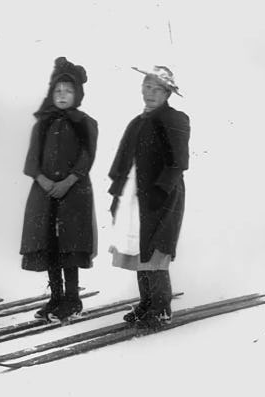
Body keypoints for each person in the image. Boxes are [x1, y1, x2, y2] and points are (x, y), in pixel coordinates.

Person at [108, 65, 190, 329]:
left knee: (155, 251)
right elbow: (124, 159)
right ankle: (147, 303)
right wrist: (119, 192)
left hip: (161, 197)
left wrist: (159, 194)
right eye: (147, 87)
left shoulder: (175, 119)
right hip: (136, 195)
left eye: (157, 89)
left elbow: (177, 163)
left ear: (168, 93)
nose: (150, 93)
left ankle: (161, 307)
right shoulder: (138, 122)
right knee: (139, 250)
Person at [20, 57, 99, 321]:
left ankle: (72, 299)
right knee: (49, 243)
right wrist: (44, 182)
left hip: (73, 194)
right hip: (44, 194)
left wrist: (67, 182)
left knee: (69, 245)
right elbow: (32, 161)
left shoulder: (86, 122)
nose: (62, 95)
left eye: (68, 90)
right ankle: (55, 297)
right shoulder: (42, 123)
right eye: (58, 90)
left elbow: (86, 158)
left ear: (78, 94)